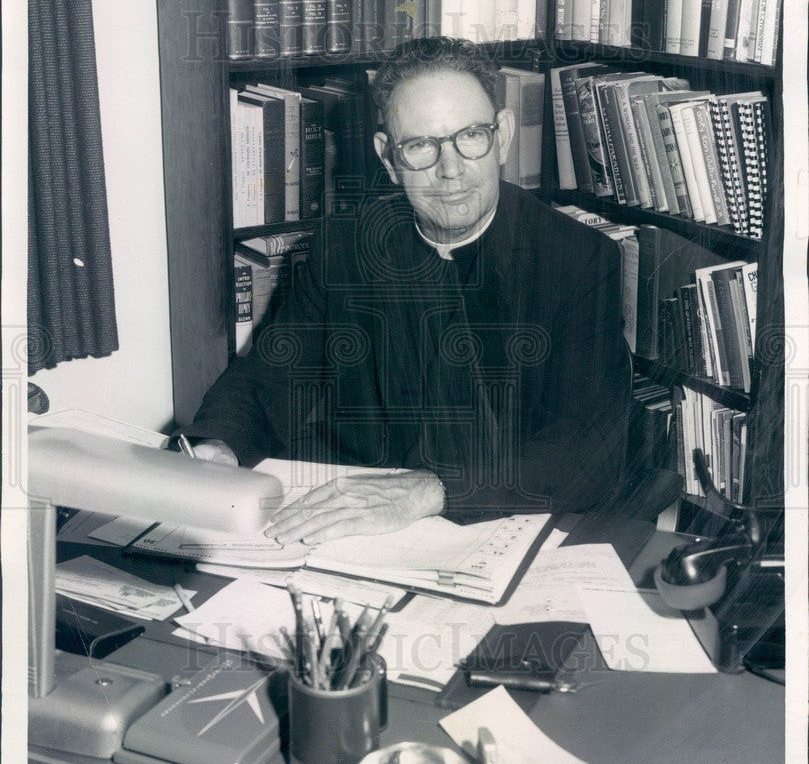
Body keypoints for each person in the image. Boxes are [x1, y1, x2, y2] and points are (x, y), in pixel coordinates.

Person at [179, 37, 628, 543]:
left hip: (501, 529)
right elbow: (267, 380)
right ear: (388, 159)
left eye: (471, 136)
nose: (450, 169)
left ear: (501, 136)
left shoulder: (577, 260)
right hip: (360, 535)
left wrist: (427, 491)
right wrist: (218, 446)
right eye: (420, 146)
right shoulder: (343, 247)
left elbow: (589, 450)